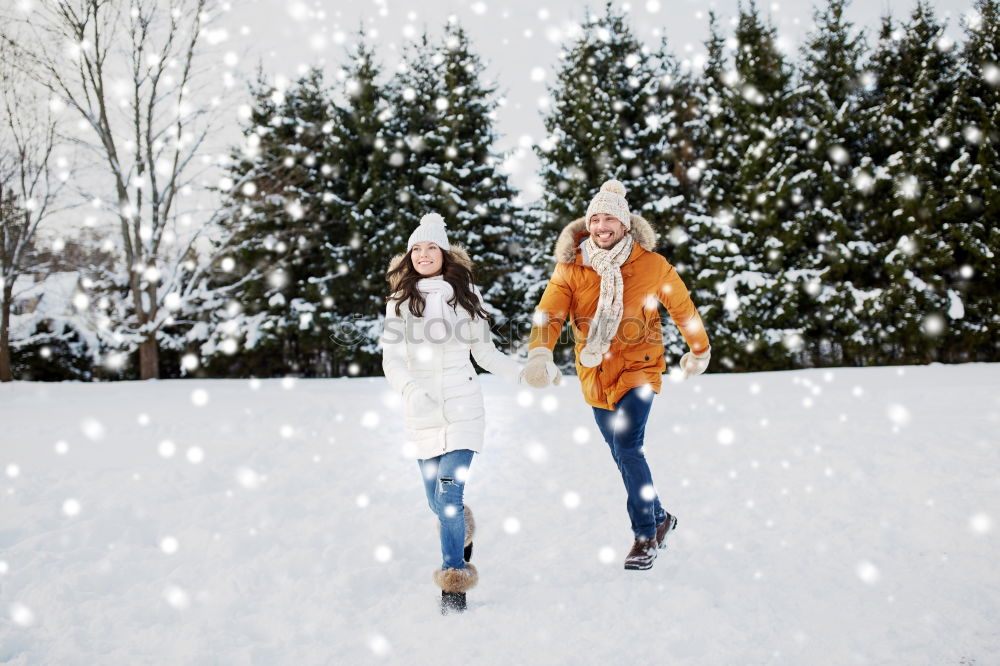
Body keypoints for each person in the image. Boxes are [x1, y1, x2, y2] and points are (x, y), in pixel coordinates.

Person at [523, 179, 711, 571]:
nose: (602, 225)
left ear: (625, 224)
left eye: (610, 218)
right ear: (587, 224)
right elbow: (551, 311)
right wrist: (540, 351)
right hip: (594, 373)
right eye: (596, 218)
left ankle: (645, 536)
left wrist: (699, 349)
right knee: (621, 453)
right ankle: (661, 517)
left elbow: (682, 308)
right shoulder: (571, 267)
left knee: (628, 447)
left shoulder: (651, 264)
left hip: (639, 368)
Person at [381, 213, 523, 613]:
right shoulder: (400, 304)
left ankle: (453, 581)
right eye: (417, 249)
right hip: (422, 412)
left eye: (431, 247)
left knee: (448, 496)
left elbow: (486, 353)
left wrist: (523, 372)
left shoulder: (466, 300)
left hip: (464, 408)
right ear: (410, 257)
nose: (424, 254)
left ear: (444, 254)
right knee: (437, 503)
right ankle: (460, 529)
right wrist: (410, 390)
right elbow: (392, 360)